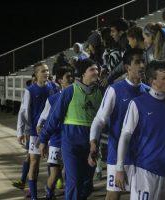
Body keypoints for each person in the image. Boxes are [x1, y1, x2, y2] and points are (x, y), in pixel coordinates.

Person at [115, 60, 165, 200]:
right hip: (146, 171)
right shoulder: (138, 103)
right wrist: (119, 168)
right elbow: (125, 136)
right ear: (152, 81)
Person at [89, 48, 148, 200]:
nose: (142, 65)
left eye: (143, 61)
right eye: (137, 62)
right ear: (127, 67)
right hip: (118, 156)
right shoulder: (115, 90)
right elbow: (99, 119)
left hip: (143, 157)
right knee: (113, 196)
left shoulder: (148, 92)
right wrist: (93, 142)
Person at [41, 58, 102, 200]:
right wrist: (43, 139)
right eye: (92, 69)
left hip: (91, 146)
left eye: (97, 69)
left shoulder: (101, 93)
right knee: (74, 183)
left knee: (87, 185)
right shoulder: (70, 91)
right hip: (71, 145)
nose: (96, 72)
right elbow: (54, 117)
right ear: (82, 74)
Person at [17, 62, 58, 200]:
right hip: (35, 132)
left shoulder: (54, 87)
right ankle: (34, 196)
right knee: (34, 162)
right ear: (35, 74)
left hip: (51, 130)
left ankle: (49, 191)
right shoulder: (30, 90)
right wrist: (21, 131)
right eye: (42, 71)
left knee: (51, 162)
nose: (46, 73)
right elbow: (23, 112)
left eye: (47, 70)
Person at [37, 66, 74, 199]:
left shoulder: (77, 95)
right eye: (68, 77)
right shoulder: (52, 99)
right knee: (54, 174)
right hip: (56, 141)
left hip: (71, 141)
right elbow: (41, 121)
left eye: (72, 76)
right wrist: (43, 140)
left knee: (70, 174)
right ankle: (49, 193)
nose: (71, 79)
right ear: (60, 80)